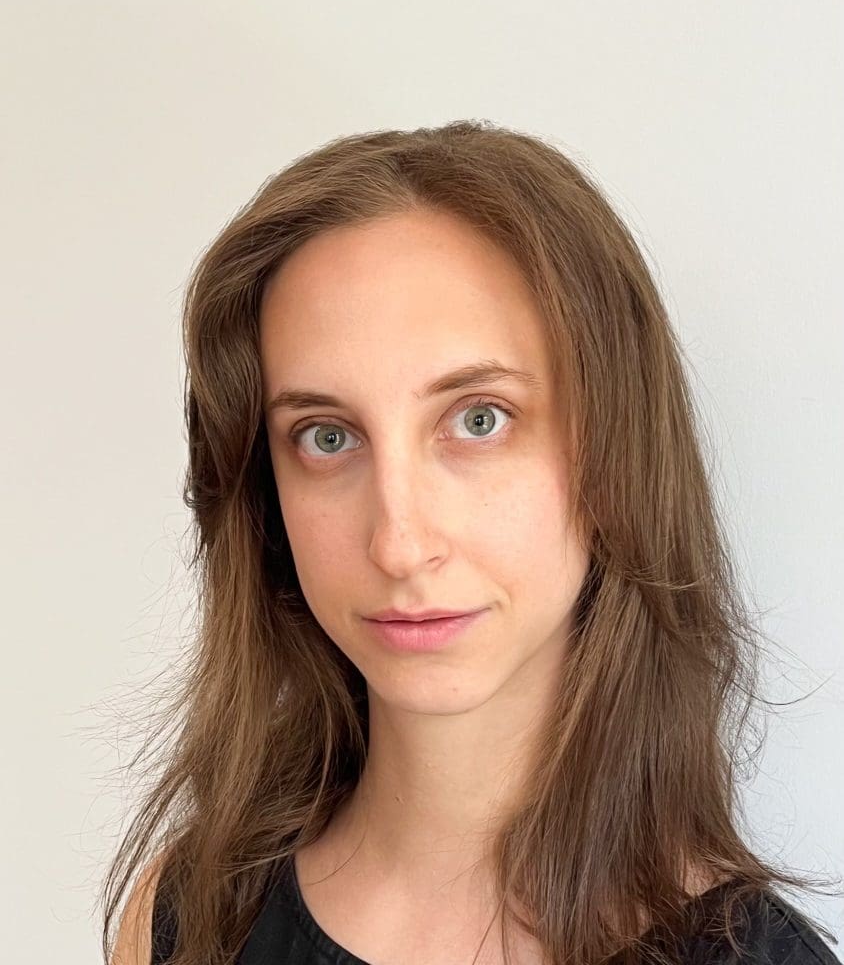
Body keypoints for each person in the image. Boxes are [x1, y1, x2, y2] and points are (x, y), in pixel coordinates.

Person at [102, 121, 842, 965]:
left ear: (614, 450)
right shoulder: (186, 916)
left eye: (477, 420)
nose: (400, 542)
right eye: (327, 436)